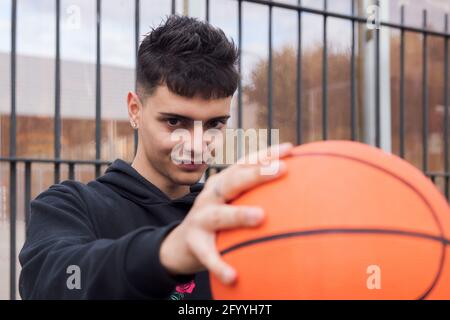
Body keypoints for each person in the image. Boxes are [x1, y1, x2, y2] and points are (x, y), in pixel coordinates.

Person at [19, 14, 292, 299]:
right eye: (175, 122)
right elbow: (54, 283)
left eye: (214, 124)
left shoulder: (234, 214)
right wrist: (168, 252)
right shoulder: (71, 205)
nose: (197, 145)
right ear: (135, 110)